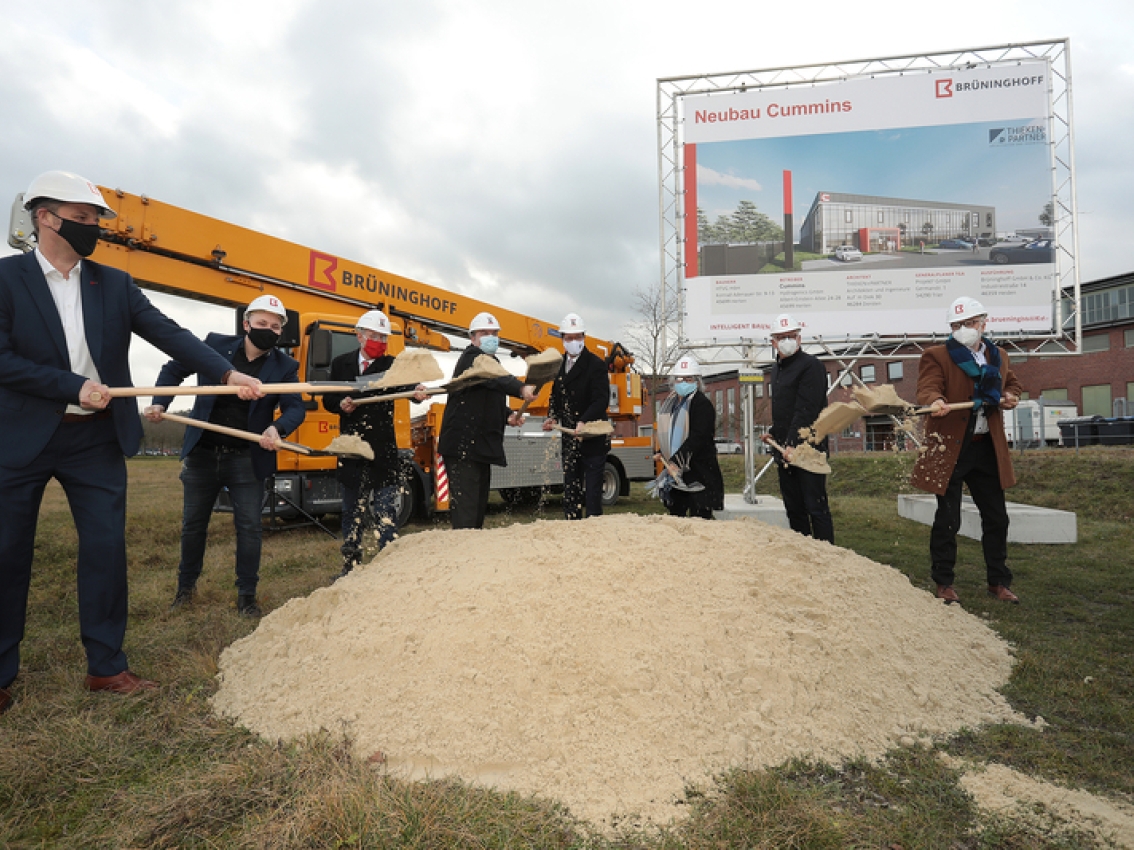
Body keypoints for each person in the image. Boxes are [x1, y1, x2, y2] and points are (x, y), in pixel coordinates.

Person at [0, 170, 262, 707]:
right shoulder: (5, 281)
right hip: (21, 435)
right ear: (45, 217)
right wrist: (72, 385)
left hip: (94, 440)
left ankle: (106, 667)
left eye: (96, 219)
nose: (94, 227)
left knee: (104, 549)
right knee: (7, 554)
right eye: (83, 218)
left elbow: (171, 334)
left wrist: (228, 373)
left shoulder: (113, 283)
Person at [145, 295, 306, 617]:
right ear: (246, 324)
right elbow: (174, 367)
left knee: (249, 527)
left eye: (275, 327)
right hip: (203, 453)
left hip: (246, 458)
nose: (269, 330)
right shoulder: (214, 346)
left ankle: (247, 596)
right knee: (193, 525)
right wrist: (160, 401)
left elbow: (295, 407)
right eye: (262, 324)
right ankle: (185, 590)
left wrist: (277, 429)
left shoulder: (285, 367)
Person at [911, 296, 1022, 605]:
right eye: (956, 325)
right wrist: (934, 401)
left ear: (983, 323)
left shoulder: (998, 355)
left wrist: (1011, 395)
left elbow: (1012, 384)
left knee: (997, 517)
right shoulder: (937, 356)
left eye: (969, 324)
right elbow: (928, 387)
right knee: (948, 519)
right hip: (950, 448)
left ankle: (998, 581)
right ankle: (944, 582)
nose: (963, 330)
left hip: (986, 447)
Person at [322, 310, 428, 578]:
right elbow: (328, 399)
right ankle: (350, 566)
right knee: (351, 512)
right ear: (360, 336)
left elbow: (411, 388)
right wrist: (341, 406)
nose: (379, 341)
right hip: (352, 449)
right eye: (374, 336)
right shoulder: (340, 364)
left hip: (383, 452)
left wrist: (418, 392)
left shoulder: (393, 365)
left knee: (385, 512)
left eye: (384, 337)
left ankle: (387, 569)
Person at [437, 312, 536, 529]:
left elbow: (489, 395)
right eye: (484, 333)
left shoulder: (492, 362)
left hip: (478, 447)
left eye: (494, 333)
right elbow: (497, 379)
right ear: (473, 338)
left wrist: (508, 414)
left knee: (478, 509)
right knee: (467, 513)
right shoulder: (473, 359)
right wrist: (520, 388)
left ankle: (474, 555)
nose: (490, 337)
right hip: (463, 448)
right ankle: (463, 556)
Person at [768, 313, 835, 543]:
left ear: (799, 338)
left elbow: (806, 410)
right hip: (786, 450)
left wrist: (791, 443)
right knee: (794, 507)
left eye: (791, 336)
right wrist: (775, 433)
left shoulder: (812, 366)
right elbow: (784, 411)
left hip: (809, 449)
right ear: (773, 342)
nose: (786, 340)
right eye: (781, 337)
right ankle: (803, 551)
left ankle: (827, 554)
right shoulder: (776, 371)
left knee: (815, 506)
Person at [542, 313, 610, 519]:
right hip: (569, 437)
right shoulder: (558, 365)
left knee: (592, 492)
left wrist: (584, 421)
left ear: (584, 337)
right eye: (569, 338)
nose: (574, 342)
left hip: (592, 437)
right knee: (571, 488)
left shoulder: (596, 365)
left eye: (578, 337)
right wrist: (552, 417)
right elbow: (556, 396)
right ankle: (572, 524)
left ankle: (593, 526)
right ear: (562, 339)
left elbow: (601, 400)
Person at [653, 355, 724, 519]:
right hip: (676, 477)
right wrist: (662, 452)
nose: (683, 382)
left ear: (697, 381)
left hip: (699, 473)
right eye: (679, 378)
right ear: (673, 381)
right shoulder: (670, 405)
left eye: (688, 378)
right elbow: (668, 434)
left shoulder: (702, 405)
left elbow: (698, 438)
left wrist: (676, 461)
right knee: (676, 519)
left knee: (700, 520)